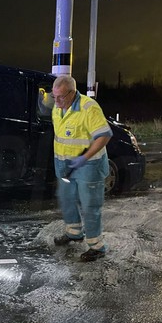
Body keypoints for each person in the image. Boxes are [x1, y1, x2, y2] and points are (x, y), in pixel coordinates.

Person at [50, 75, 112, 262]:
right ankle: (74, 233)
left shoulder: (88, 107)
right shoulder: (57, 107)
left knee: (90, 205)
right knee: (67, 199)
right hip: (64, 165)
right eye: (54, 97)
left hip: (88, 165)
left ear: (72, 93)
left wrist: (84, 157)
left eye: (61, 97)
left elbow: (104, 135)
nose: (57, 102)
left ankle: (97, 246)